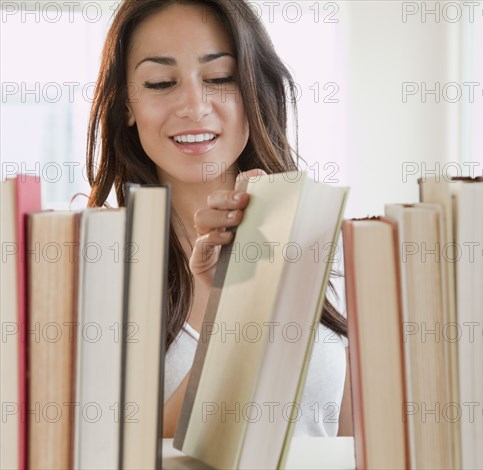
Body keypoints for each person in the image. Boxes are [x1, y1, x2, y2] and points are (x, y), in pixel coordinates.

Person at [86, 0, 352, 438]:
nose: (194, 105)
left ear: (253, 92)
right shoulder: (96, 262)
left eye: (220, 78)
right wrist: (239, 313)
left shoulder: (329, 246)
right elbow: (124, 451)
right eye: (160, 82)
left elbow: (355, 446)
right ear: (127, 106)